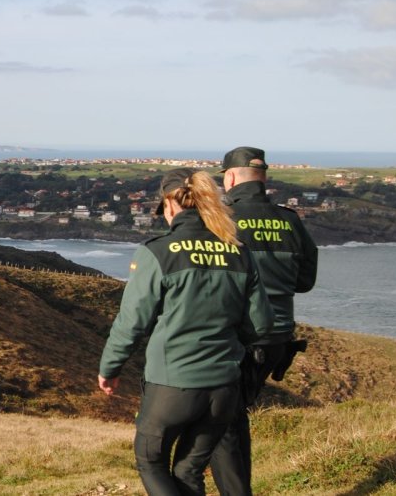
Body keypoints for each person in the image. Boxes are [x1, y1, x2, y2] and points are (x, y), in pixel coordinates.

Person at [99, 168, 273, 496]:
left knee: (150, 461)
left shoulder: (157, 252)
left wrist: (110, 369)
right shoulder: (238, 251)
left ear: (169, 206)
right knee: (186, 470)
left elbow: (132, 322)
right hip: (223, 389)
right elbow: (260, 324)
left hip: (172, 385)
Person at [209, 147, 319, 495]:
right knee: (235, 417)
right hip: (276, 339)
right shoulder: (290, 220)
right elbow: (304, 282)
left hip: (236, 337)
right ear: (264, 178)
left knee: (222, 423)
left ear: (229, 178)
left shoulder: (222, 219)